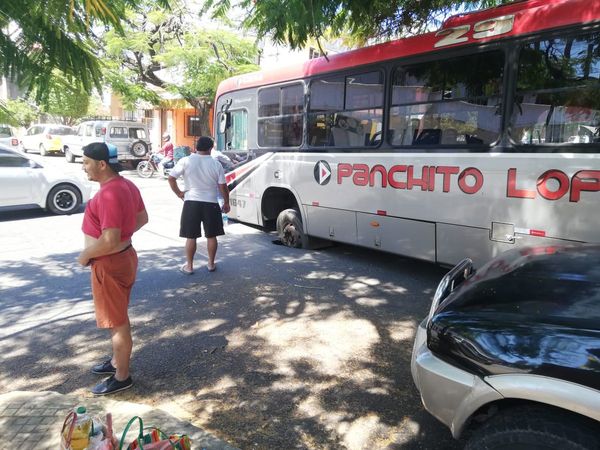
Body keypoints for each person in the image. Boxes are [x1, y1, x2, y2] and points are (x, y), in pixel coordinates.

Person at [78, 142, 148, 395]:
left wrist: (85, 255)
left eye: (86, 162)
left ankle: (122, 376)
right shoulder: (126, 185)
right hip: (123, 257)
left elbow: (108, 239)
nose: (83, 167)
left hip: (109, 263)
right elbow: (142, 218)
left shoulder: (109, 193)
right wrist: (123, 238)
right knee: (118, 316)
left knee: (118, 322)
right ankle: (117, 361)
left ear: (102, 164)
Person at [168, 136, 230, 274]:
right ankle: (211, 264)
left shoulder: (185, 161)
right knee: (212, 236)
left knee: (191, 236)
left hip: (191, 203)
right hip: (211, 203)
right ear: (210, 148)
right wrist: (226, 202)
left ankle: (189, 266)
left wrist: (179, 193)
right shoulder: (216, 164)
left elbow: (171, 178)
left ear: (196, 147)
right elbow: (222, 187)